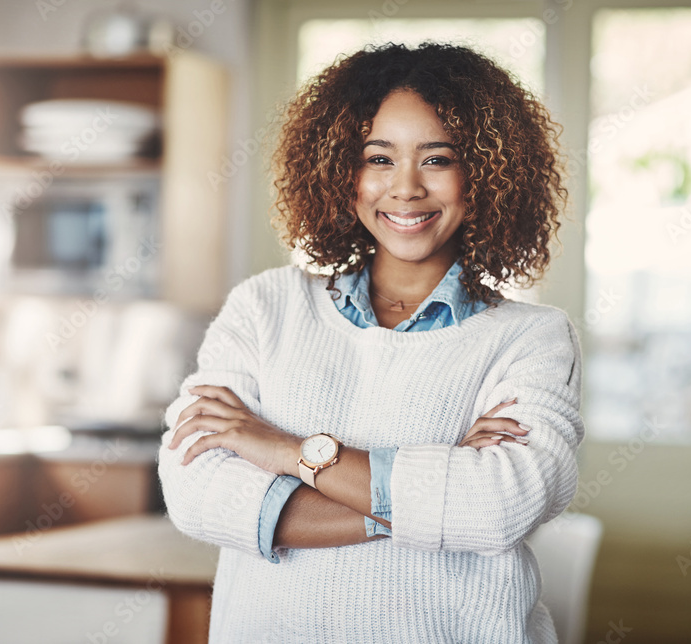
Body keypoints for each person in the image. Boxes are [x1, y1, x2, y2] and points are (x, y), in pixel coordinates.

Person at [158, 42, 584, 643]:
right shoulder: (265, 306)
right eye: (378, 158)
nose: (405, 188)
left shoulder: (533, 338)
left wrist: (287, 452)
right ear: (341, 172)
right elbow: (199, 493)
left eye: (438, 159)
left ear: (484, 176)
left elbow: (495, 509)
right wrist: (424, 500)